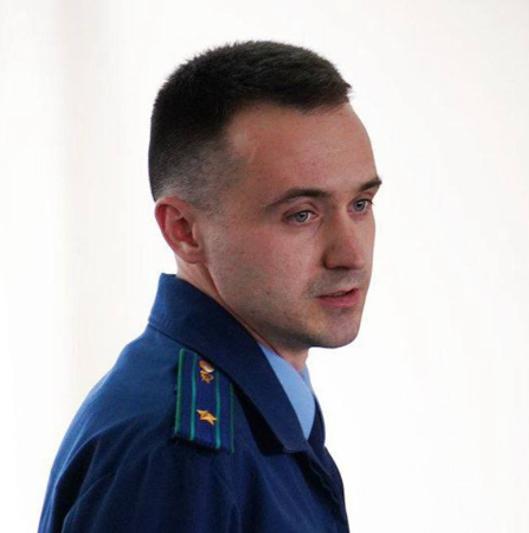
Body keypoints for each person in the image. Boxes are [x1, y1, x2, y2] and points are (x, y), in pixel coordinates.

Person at [38, 40, 381, 532]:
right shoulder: (178, 455)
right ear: (185, 231)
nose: (351, 255)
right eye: (301, 214)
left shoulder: (251, 413)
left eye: (360, 205)